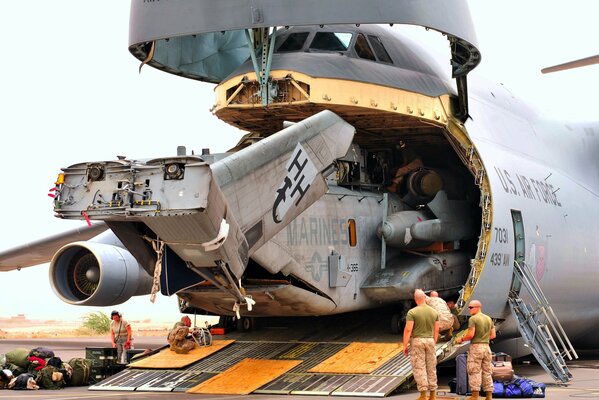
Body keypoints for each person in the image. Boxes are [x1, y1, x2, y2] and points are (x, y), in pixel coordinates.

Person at [403, 289, 440, 400]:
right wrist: (434, 341)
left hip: (418, 341)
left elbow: (408, 330)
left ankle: (423, 395)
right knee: (431, 367)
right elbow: (436, 330)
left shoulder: (412, 312)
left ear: (415, 299)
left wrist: (405, 345)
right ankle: (433, 394)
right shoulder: (434, 312)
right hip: (430, 340)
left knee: (419, 367)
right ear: (425, 298)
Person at [456, 300, 496, 400]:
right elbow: (493, 335)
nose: (469, 309)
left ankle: (474, 396)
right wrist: (484, 338)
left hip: (476, 348)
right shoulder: (488, 318)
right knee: (487, 372)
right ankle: (489, 396)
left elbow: (470, 335)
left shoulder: (473, 319)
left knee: (474, 371)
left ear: (478, 307)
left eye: (470, 307)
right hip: (487, 348)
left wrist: (460, 339)